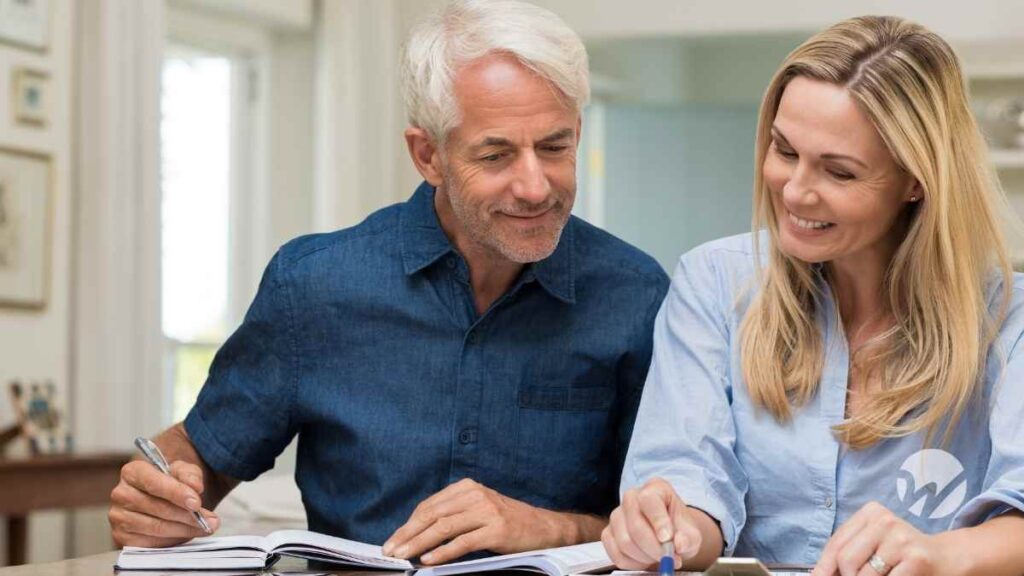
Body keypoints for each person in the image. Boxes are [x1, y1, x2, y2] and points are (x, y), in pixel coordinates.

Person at [107, 0, 668, 565]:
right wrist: (158, 502)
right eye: (496, 155)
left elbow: (669, 524)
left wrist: (543, 528)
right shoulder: (313, 286)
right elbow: (201, 459)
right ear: (428, 155)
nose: (534, 186)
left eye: (554, 147)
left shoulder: (636, 295)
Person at [602, 15, 1024, 576]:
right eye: (784, 150)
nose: (796, 191)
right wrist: (671, 529)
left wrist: (941, 553)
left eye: (840, 173)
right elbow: (690, 480)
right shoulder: (714, 282)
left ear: (916, 180)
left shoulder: (1008, 321)